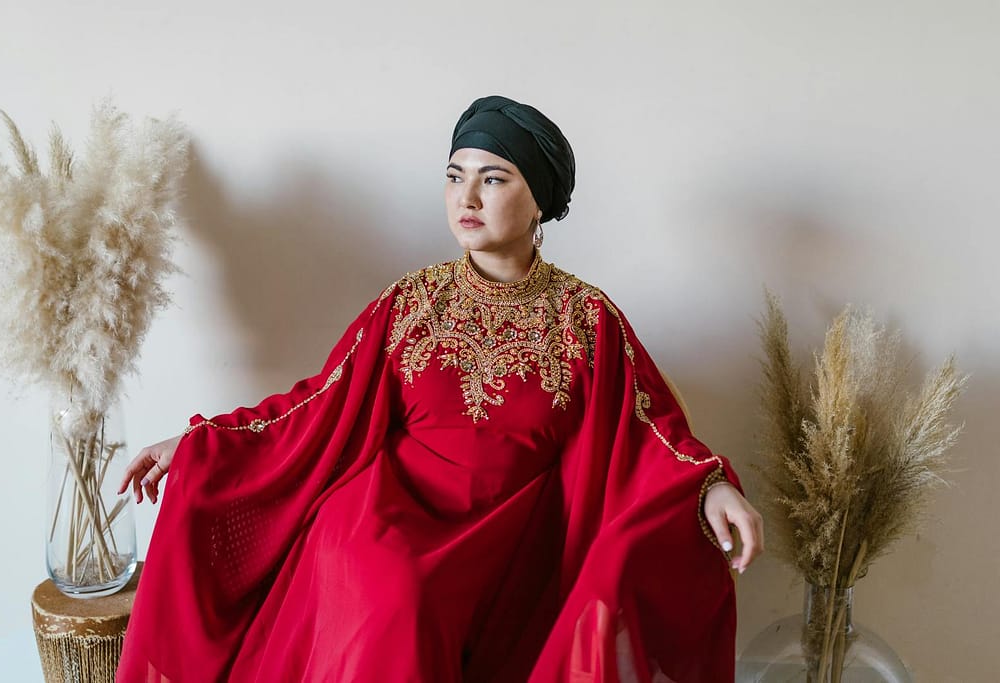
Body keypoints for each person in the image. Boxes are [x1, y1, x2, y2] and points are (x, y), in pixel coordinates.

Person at [116, 95, 763, 683]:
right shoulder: (411, 303)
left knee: (437, 597)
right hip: (385, 514)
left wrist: (713, 488)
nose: (467, 198)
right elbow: (319, 402)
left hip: (507, 544)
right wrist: (200, 441)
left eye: (493, 178)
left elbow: (649, 430)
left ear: (539, 198)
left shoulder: (586, 322)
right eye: (455, 177)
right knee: (395, 591)